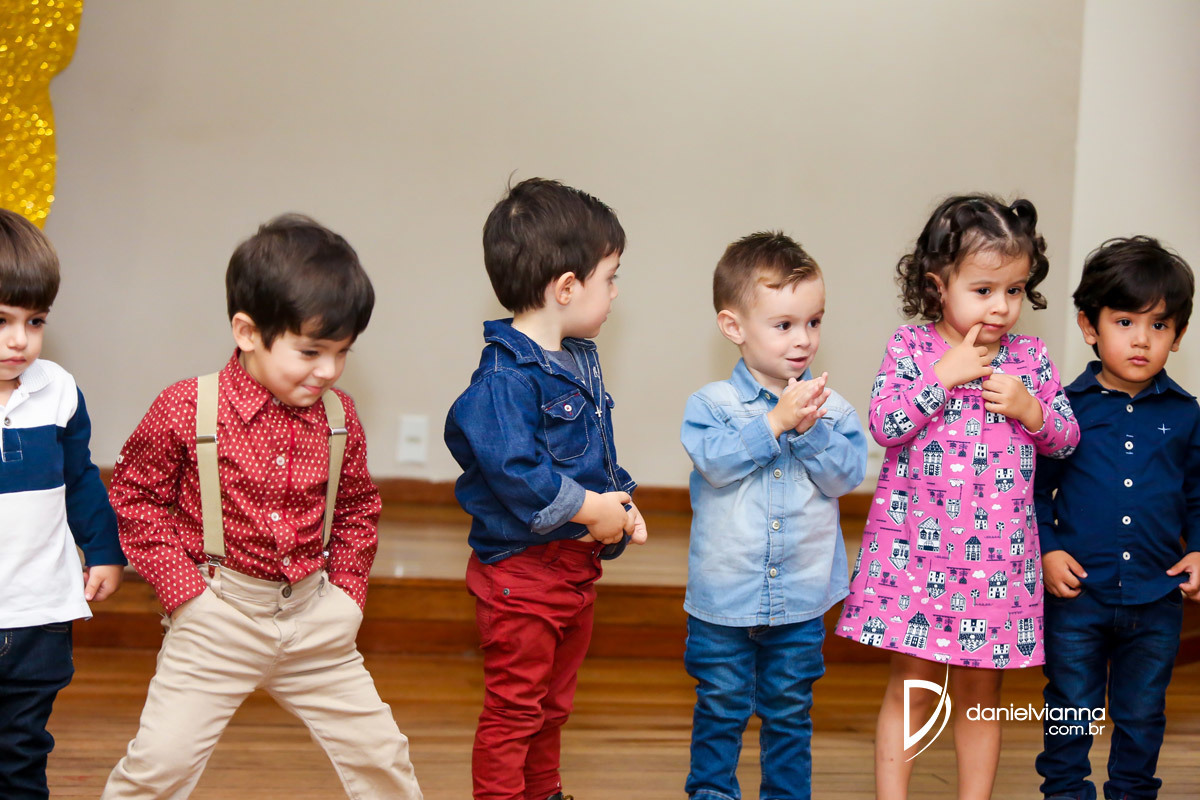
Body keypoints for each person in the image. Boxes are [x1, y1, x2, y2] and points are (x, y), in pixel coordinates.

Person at [101, 214, 422, 799]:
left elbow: (356, 509)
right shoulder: (186, 408)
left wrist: (348, 595)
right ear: (247, 332)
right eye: (311, 351)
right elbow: (135, 496)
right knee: (160, 764)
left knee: (382, 755)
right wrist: (187, 597)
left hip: (315, 617)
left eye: (342, 353)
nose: (328, 370)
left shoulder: (340, 417)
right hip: (216, 616)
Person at [834, 195, 1080, 799]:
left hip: (996, 560)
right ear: (937, 285)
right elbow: (886, 424)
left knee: (980, 694)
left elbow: (1067, 439)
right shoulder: (910, 348)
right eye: (984, 289)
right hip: (916, 558)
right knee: (912, 687)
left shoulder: (1030, 358)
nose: (1001, 306)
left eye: (1015, 290)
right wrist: (943, 374)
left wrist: (1031, 410)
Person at [444, 177, 648, 800]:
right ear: (566, 287)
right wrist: (589, 509)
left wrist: (621, 503)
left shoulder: (578, 359)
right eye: (610, 277)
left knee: (553, 706)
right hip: (523, 577)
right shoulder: (504, 380)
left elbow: (593, 452)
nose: (615, 291)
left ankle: (543, 791)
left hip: (572, 570)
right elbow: (518, 474)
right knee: (515, 710)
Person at [679, 232, 867, 800]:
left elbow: (845, 477)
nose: (803, 338)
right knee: (721, 706)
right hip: (725, 598)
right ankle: (712, 793)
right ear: (733, 326)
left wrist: (809, 433)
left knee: (789, 710)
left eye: (813, 322)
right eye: (784, 324)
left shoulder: (833, 411)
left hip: (800, 598)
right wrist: (775, 424)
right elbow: (715, 465)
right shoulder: (712, 405)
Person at [1034, 236, 1200, 800]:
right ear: (1089, 326)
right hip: (1078, 595)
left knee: (1143, 711)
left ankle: (1132, 792)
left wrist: (1198, 548)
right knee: (1071, 706)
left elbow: (1198, 494)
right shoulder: (1062, 409)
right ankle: (1065, 792)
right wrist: (1048, 548)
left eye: (1160, 325)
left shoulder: (1186, 415)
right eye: (1125, 321)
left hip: (1157, 596)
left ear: (1178, 335)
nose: (1142, 339)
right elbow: (1035, 492)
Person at [0, 208, 125, 800]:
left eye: (35, 320)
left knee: (21, 751)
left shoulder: (59, 392)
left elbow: (80, 480)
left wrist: (103, 550)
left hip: (39, 613)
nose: (19, 340)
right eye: (1, 320)